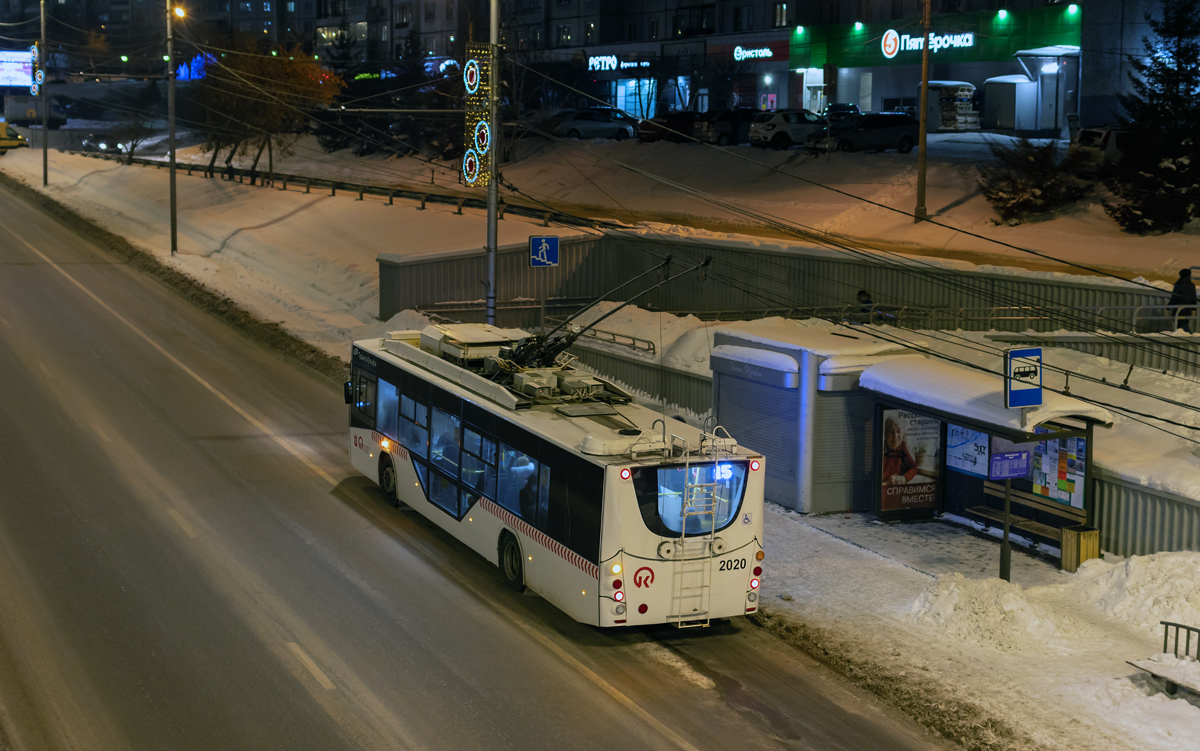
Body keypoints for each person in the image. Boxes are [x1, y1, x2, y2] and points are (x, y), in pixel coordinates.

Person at [882, 416, 919, 486]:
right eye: (891, 432)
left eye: (898, 431)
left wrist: (904, 478)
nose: (895, 437)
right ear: (885, 434)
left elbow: (914, 467)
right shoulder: (881, 447)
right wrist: (886, 484)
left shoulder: (901, 445)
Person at [1168, 268, 1196, 333]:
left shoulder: (1178, 285)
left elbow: (1174, 298)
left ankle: (1191, 337)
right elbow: (1193, 298)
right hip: (1188, 309)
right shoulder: (1192, 285)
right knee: (1184, 324)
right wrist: (1194, 309)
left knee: (1181, 326)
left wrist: (1168, 307)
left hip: (1179, 309)